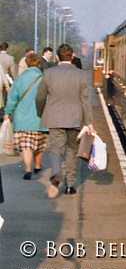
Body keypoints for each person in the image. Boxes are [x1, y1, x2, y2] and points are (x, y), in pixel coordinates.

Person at [35, 44, 94, 198]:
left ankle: (56, 174)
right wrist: (89, 122)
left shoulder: (48, 73)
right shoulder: (81, 75)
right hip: (75, 119)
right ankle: (69, 185)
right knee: (72, 151)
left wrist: (41, 113)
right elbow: (85, 100)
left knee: (55, 149)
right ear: (72, 56)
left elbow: (40, 97)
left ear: (57, 57)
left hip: (54, 117)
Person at [4, 54, 48, 180]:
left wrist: (8, 113)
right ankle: (38, 165)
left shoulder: (19, 79)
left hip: (22, 119)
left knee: (26, 146)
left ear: (27, 64)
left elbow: (12, 99)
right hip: (40, 118)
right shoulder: (43, 78)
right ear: (38, 64)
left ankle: (28, 169)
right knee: (39, 145)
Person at [0, 42, 15, 116]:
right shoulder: (10, 58)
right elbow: (12, 71)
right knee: (5, 97)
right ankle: (4, 112)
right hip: (6, 78)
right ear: (7, 49)